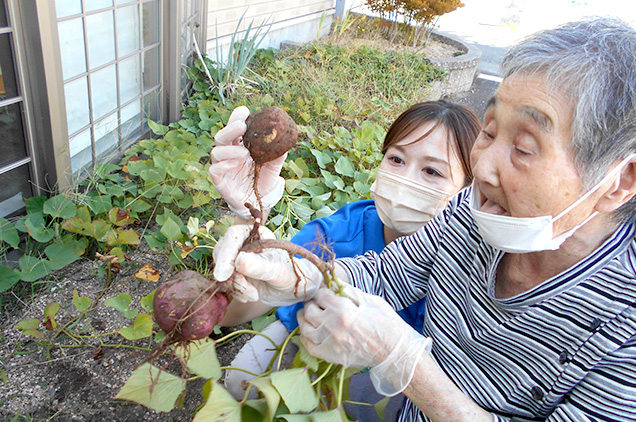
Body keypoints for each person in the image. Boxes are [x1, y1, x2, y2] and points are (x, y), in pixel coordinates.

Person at [214, 17, 636, 421]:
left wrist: (403, 361)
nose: (484, 168)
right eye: (489, 131)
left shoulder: (624, 333)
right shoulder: (471, 214)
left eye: (523, 148)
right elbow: (384, 273)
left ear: (619, 181)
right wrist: (292, 273)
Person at [209, 101, 482, 405]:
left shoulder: (466, 263)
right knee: (241, 376)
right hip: (307, 339)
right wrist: (250, 214)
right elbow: (237, 311)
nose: (406, 179)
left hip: (398, 381)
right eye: (396, 159)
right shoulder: (341, 232)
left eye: (432, 171)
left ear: (467, 193)